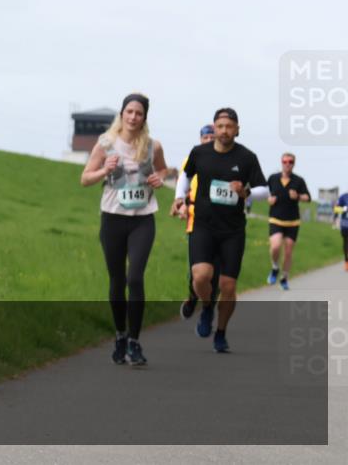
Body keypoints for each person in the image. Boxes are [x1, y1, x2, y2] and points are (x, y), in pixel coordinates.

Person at [81, 93, 169, 366]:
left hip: (143, 219)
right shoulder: (106, 145)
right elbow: (85, 179)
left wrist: (158, 178)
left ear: (144, 118)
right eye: (129, 111)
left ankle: (134, 341)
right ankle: (120, 335)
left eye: (138, 113)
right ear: (122, 114)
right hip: (113, 218)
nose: (133, 117)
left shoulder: (153, 146)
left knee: (135, 278)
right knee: (117, 281)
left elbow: (165, 171)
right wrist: (104, 171)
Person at [172, 108, 268, 353]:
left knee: (228, 286)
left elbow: (264, 190)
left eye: (229, 126)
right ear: (214, 128)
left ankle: (221, 333)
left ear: (237, 129)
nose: (224, 130)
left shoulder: (247, 157)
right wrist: (179, 198)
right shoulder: (199, 152)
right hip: (203, 225)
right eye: (220, 126)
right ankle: (206, 308)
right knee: (201, 276)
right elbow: (185, 175)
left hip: (232, 231)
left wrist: (245, 192)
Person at [173, 124, 221, 319]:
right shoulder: (192, 159)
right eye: (205, 138)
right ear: (200, 139)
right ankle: (193, 296)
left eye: (212, 137)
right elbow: (182, 185)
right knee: (198, 271)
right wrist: (181, 204)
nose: (209, 141)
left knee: (215, 273)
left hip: (223, 223)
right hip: (197, 220)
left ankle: (208, 309)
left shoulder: (227, 160)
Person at [265, 153, 311, 290]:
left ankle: (284, 277)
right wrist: (269, 199)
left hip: (292, 221)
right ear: (281, 162)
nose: (287, 164)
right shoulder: (273, 178)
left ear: (294, 163)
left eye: (290, 161)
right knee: (275, 246)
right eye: (285, 161)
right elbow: (265, 192)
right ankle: (274, 267)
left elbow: (308, 198)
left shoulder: (298, 181)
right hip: (276, 218)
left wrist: (297, 196)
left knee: (288, 251)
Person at [336, 191, 348, 272]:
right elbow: (336, 209)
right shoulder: (343, 197)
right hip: (345, 225)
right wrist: (343, 209)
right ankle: (346, 261)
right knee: (346, 243)